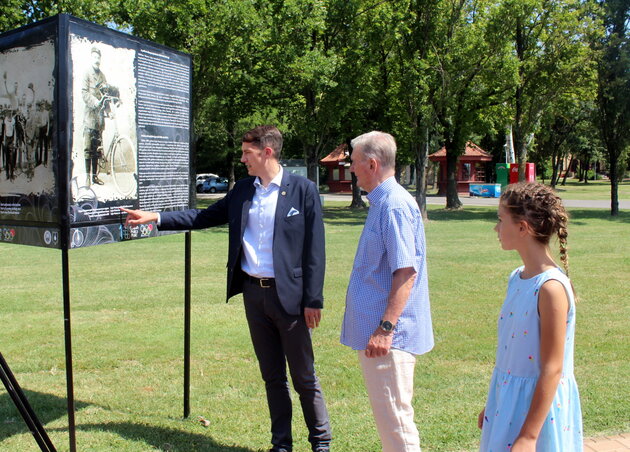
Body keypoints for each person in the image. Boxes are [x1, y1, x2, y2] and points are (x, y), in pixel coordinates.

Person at [121, 125, 331, 452]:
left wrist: (313, 300)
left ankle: (321, 444)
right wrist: (155, 217)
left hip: (290, 299)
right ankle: (281, 445)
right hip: (254, 295)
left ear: (267, 152)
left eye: (248, 152)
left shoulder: (303, 190)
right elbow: (202, 217)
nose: (243, 158)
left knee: (304, 378)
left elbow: (315, 250)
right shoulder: (243, 190)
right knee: (273, 377)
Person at [340, 131, 434, 452]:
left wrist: (385, 328)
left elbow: (406, 272)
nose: (351, 168)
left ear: (372, 164)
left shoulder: (392, 205)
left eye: (353, 162)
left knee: (396, 422)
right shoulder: (383, 203)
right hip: (383, 336)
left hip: (389, 339)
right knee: (391, 420)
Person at [478, 182, 583, 451]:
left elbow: (552, 368)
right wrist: (496, 404)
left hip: (538, 416)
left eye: (501, 220)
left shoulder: (550, 289)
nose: (496, 229)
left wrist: (528, 436)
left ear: (523, 228)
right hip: (508, 404)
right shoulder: (517, 278)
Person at [82, 47, 107, 186]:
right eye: (94, 57)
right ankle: (87, 178)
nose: (97, 60)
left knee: (97, 149)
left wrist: (109, 110)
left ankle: (94, 177)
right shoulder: (87, 74)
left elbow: (105, 95)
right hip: (89, 116)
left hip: (99, 118)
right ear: (91, 58)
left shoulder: (102, 76)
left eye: (98, 58)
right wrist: (95, 102)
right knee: (88, 148)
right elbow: (84, 93)